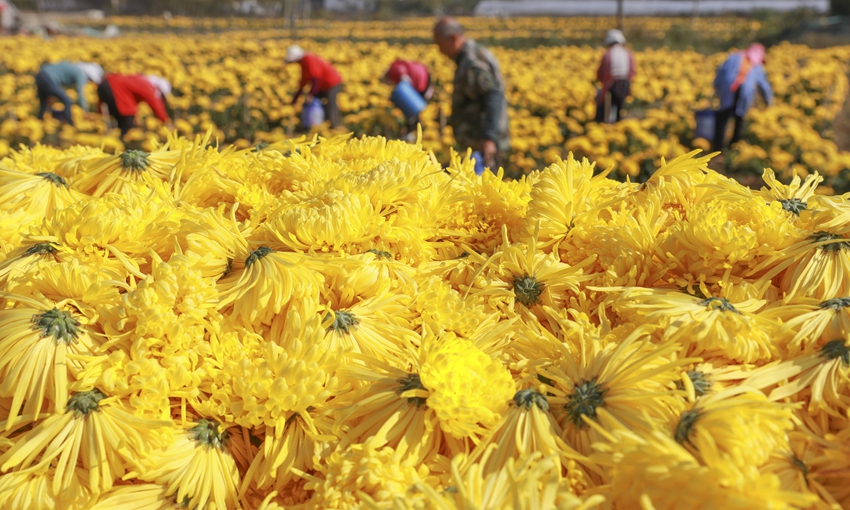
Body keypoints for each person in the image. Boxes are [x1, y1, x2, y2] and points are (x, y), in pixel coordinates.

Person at [433, 17, 509, 172]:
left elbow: (492, 95)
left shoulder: (471, 61)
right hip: (478, 142)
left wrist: (489, 138)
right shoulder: (472, 54)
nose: (439, 50)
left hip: (483, 145)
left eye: (440, 44)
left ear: (453, 38)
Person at [712, 43, 774, 152]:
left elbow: (721, 71)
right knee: (739, 119)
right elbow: (764, 85)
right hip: (744, 92)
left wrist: (717, 86)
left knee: (723, 117)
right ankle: (733, 148)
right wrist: (769, 101)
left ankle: (718, 148)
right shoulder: (757, 64)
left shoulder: (733, 56)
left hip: (728, 89)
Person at [285, 45, 343, 129]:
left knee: (331, 105)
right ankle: (317, 124)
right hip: (323, 85)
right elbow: (304, 82)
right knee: (313, 103)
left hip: (332, 83)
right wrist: (295, 99)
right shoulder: (303, 63)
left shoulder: (308, 59)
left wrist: (311, 95)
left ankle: (334, 127)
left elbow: (316, 78)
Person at [97, 73, 171, 138]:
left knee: (122, 120)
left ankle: (119, 140)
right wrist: (165, 121)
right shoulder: (148, 85)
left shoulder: (142, 80)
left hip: (106, 84)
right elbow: (154, 102)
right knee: (128, 118)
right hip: (113, 87)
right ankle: (124, 143)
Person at [35, 61, 103, 126]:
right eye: (90, 80)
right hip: (48, 77)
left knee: (43, 105)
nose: (89, 81)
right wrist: (85, 111)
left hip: (40, 75)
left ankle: (40, 123)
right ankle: (69, 124)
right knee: (67, 100)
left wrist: (51, 94)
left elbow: (58, 77)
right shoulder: (81, 74)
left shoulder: (74, 68)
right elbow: (80, 93)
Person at [382, 59, 434, 139]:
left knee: (411, 109)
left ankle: (412, 133)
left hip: (419, 79)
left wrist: (407, 91)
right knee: (418, 111)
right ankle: (416, 132)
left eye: (388, 83)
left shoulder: (394, 68)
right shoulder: (397, 65)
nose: (390, 85)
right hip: (424, 74)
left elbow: (405, 78)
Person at [595, 29, 636, 124]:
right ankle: (618, 124)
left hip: (611, 83)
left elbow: (602, 72)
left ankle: (605, 125)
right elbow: (632, 71)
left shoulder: (608, 54)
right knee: (619, 107)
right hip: (624, 83)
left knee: (606, 107)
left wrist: (603, 83)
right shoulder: (627, 53)